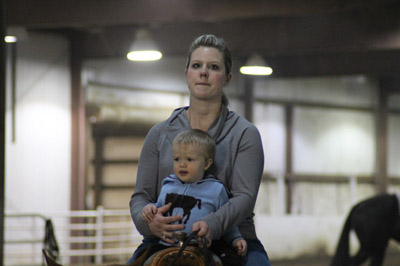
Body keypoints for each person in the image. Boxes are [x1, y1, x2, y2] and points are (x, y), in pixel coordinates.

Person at [128, 34, 271, 266]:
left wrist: (212, 225)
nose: (203, 72)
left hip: (231, 238)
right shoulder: (159, 134)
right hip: (164, 240)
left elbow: (245, 197)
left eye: (213, 67)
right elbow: (141, 196)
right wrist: (148, 223)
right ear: (187, 74)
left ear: (227, 78)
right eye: (197, 65)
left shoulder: (245, 134)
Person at [141, 129, 247, 258]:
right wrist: (149, 210)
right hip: (165, 246)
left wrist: (236, 239)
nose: (182, 164)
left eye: (190, 159)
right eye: (177, 159)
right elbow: (158, 209)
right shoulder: (167, 185)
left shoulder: (216, 189)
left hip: (202, 248)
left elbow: (227, 220)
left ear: (206, 164)